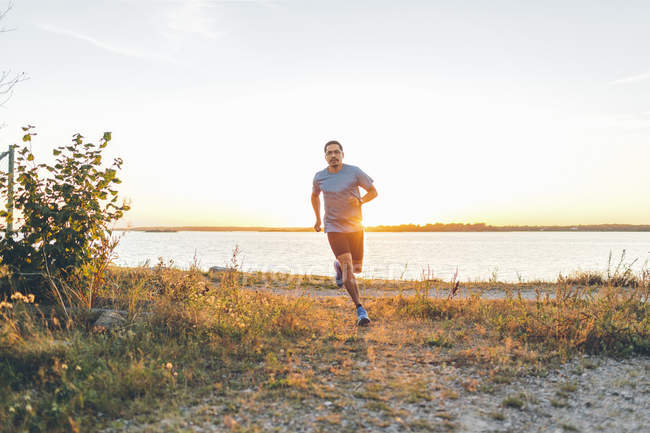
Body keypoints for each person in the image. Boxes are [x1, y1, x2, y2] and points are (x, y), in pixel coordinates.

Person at [311, 140, 378, 326]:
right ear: (325, 157)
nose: (333, 156)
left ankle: (338, 266)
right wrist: (317, 219)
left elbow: (374, 192)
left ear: (342, 154)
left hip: (355, 227)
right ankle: (360, 309)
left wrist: (361, 201)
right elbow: (314, 196)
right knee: (349, 266)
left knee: (356, 269)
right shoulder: (319, 177)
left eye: (336, 152)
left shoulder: (354, 172)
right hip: (333, 227)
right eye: (329, 153)